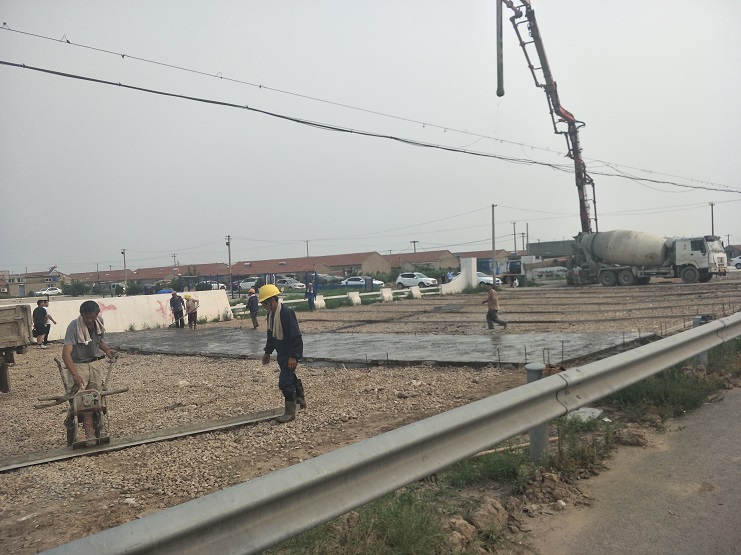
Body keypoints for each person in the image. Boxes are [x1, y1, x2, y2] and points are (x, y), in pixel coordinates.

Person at [61, 300, 116, 443]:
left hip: (94, 363)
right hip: (78, 364)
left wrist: (107, 350)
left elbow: (98, 341)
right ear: (81, 315)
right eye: (87, 318)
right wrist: (75, 374)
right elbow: (66, 354)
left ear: (97, 314)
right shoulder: (74, 327)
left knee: (96, 399)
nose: (90, 321)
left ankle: (97, 432)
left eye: (93, 317)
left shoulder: (99, 322)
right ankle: (83, 431)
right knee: (80, 400)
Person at [259, 284, 306, 424]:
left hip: (289, 353)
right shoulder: (271, 315)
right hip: (282, 353)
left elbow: (296, 337)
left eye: (265, 303)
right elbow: (271, 336)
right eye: (262, 304)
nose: (264, 306)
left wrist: (293, 356)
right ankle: (300, 399)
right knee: (290, 376)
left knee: (284, 382)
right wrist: (267, 352)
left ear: (273, 300)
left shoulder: (286, 313)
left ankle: (289, 412)